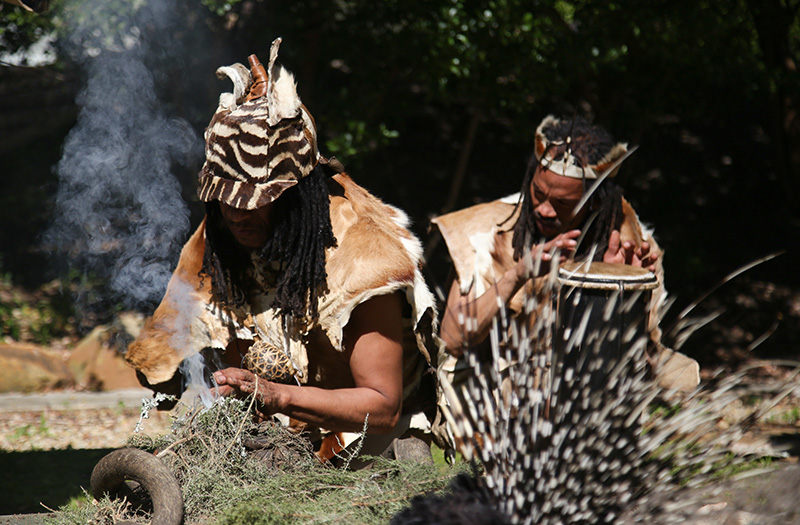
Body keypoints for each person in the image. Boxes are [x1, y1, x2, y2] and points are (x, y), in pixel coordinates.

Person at [125, 39, 446, 464]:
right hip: (270, 447)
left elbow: (383, 407)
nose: (238, 215)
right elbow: (172, 346)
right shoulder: (220, 239)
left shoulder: (365, 261)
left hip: (363, 452)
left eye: (256, 201)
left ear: (299, 198)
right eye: (225, 199)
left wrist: (275, 394)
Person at [433, 115, 699, 392]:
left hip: (579, 398)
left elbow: (631, 360)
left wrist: (616, 293)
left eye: (562, 202)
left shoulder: (631, 240)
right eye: (537, 193)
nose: (544, 210)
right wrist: (519, 275)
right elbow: (451, 338)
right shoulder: (488, 230)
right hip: (487, 397)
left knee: (680, 381)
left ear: (595, 200)